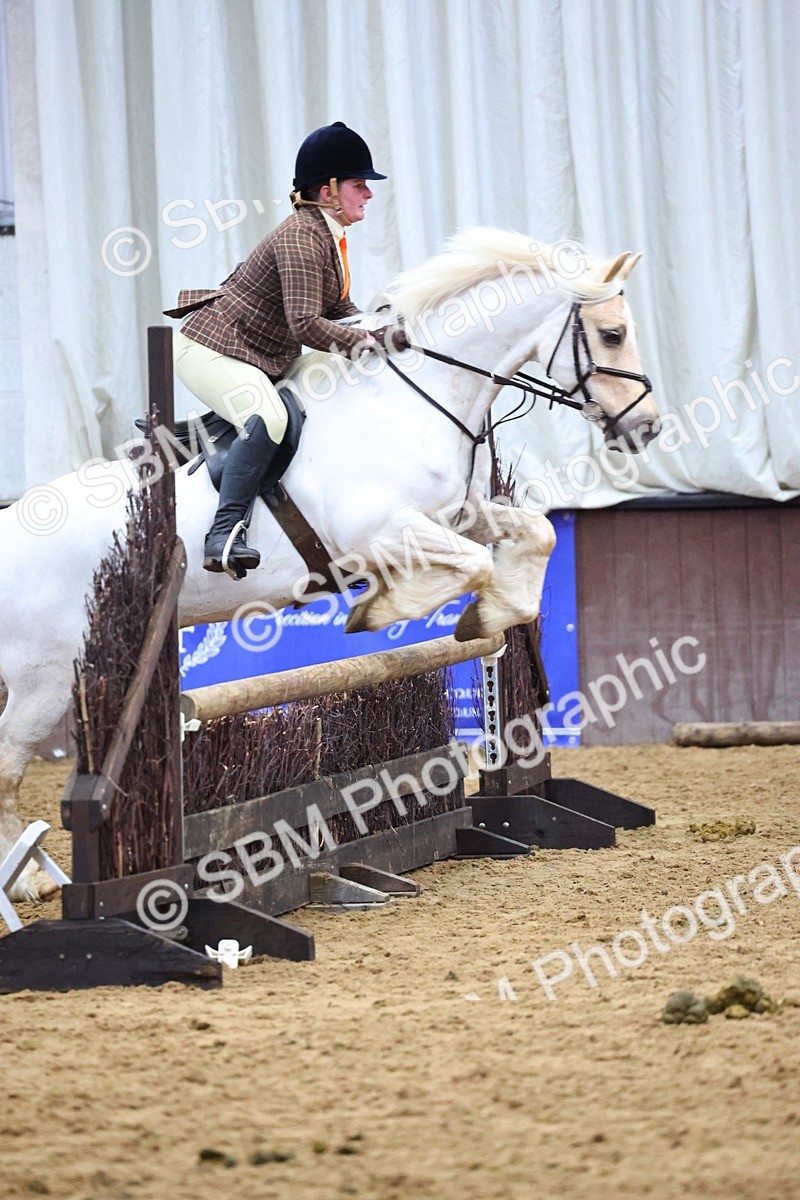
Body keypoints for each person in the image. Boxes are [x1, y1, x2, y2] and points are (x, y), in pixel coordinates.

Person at [165, 121, 407, 577]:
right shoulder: (301, 236)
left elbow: (339, 311)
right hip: (210, 349)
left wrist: (386, 331)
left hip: (257, 352)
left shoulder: (327, 235)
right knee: (270, 417)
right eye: (360, 185)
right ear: (328, 190)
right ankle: (224, 533)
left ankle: (196, 435)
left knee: (333, 372)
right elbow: (305, 323)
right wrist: (366, 341)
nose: (368, 194)